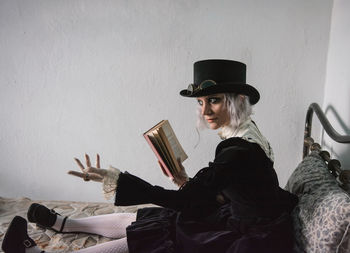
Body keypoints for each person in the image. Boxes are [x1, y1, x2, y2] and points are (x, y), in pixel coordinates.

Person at [2, 59, 298, 253]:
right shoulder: (246, 132)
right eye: (201, 102)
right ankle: (64, 224)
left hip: (252, 236)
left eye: (214, 101)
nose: (205, 111)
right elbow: (229, 190)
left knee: (158, 234)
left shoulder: (236, 150)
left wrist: (117, 179)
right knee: (156, 219)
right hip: (246, 216)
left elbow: (188, 201)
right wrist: (183, 179)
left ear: (238, 101)